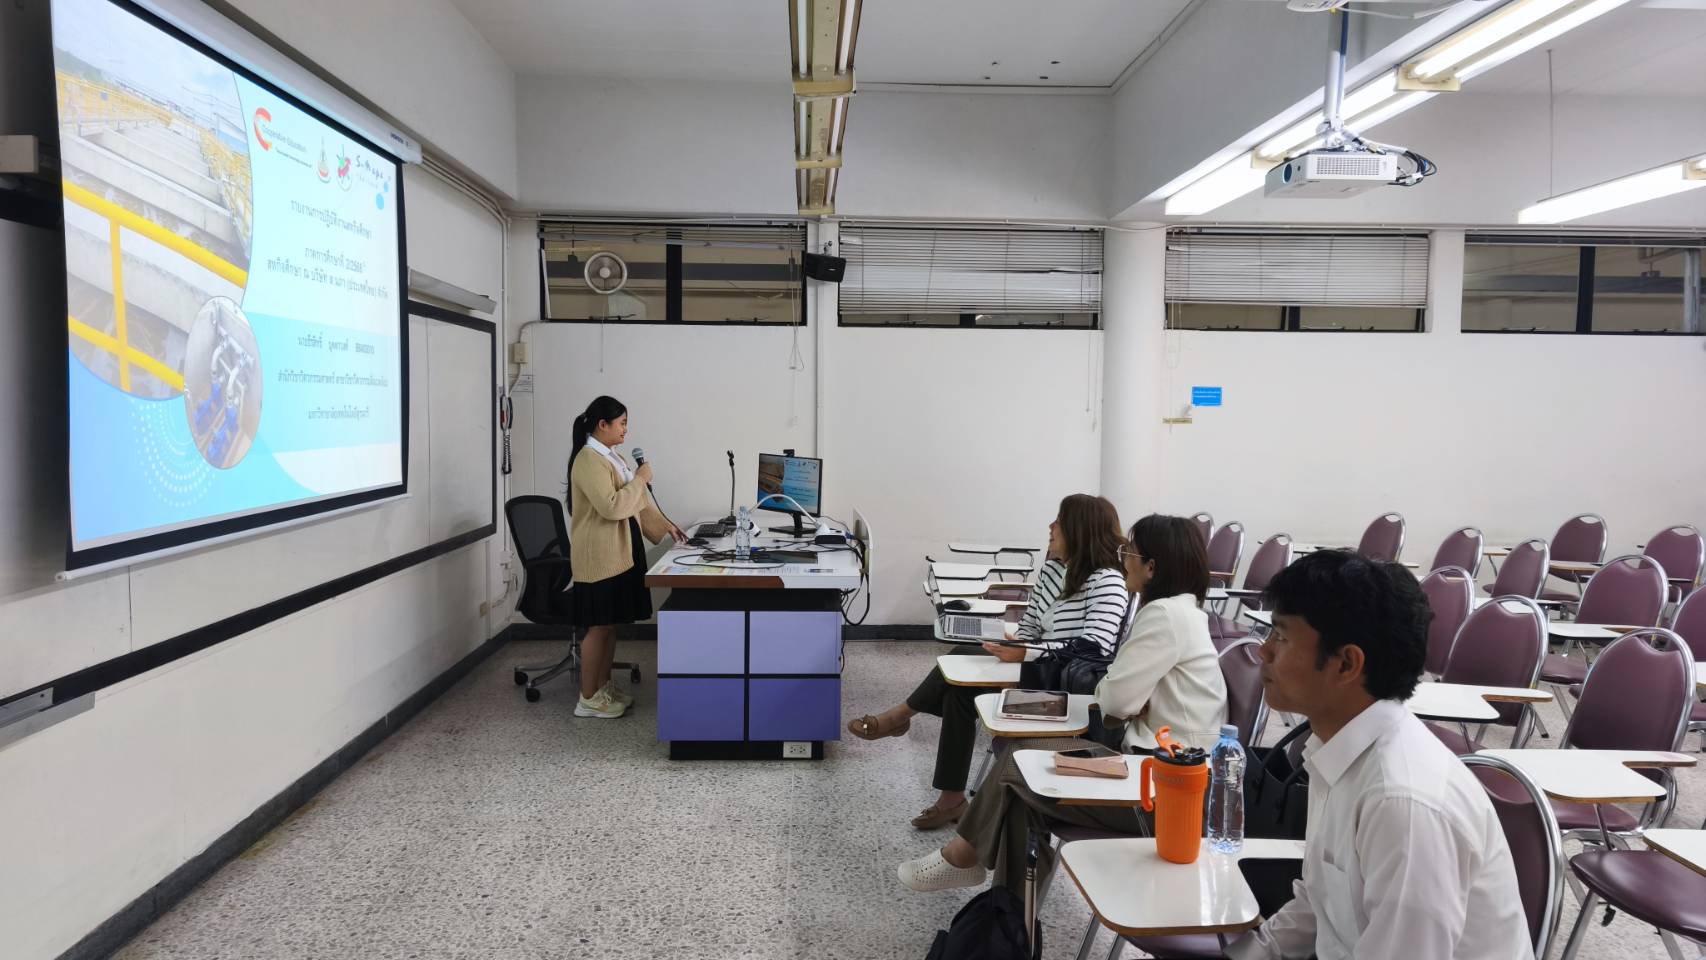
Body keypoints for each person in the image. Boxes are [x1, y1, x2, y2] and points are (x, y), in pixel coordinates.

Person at [1223, 550, 1529, 960]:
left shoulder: (1403, 802)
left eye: (1281, 636)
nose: (1264, 652)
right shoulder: (1335, 750)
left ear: (1347, 664)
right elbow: (1318, 902)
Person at [895, 514, 1226, 892]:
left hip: (1163, 794)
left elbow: (1114, 699)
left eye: (1130, 554)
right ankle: (1005, 910)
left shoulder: (1163, 615)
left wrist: (1123, 694)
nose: (1124, 561)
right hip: (1167, 777)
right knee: (1021, 780)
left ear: (1151, 567)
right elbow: (1118, 692)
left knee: (1020, 767)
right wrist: (1127, 695)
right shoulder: (1183, 612)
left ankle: (965, 861)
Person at [846, 494, 1129, 829]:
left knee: (960, 661)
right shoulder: (1055, 569)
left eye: (1059, 521)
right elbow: (1031, 626)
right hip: (1037, 666)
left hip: (1063, 686)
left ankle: (900, 718)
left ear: (1080, 530)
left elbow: (1095, 648)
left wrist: (1028, 652)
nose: (1051, 527)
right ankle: (950, 799)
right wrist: (1015, 641)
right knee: (959, 691)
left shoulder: (1108, 581)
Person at [565, 395, 684, 719]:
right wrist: (642, 478)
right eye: (621, 423)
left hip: (620, 552)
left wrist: (667, 526)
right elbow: (613, 506)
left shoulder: (612, 457)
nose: (625, 430)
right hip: (600, 556)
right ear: (602, 424)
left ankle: (603, 687)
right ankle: (588, 698)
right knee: (599, 626)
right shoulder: (589, 459)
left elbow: (636, 502)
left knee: (610, 624)